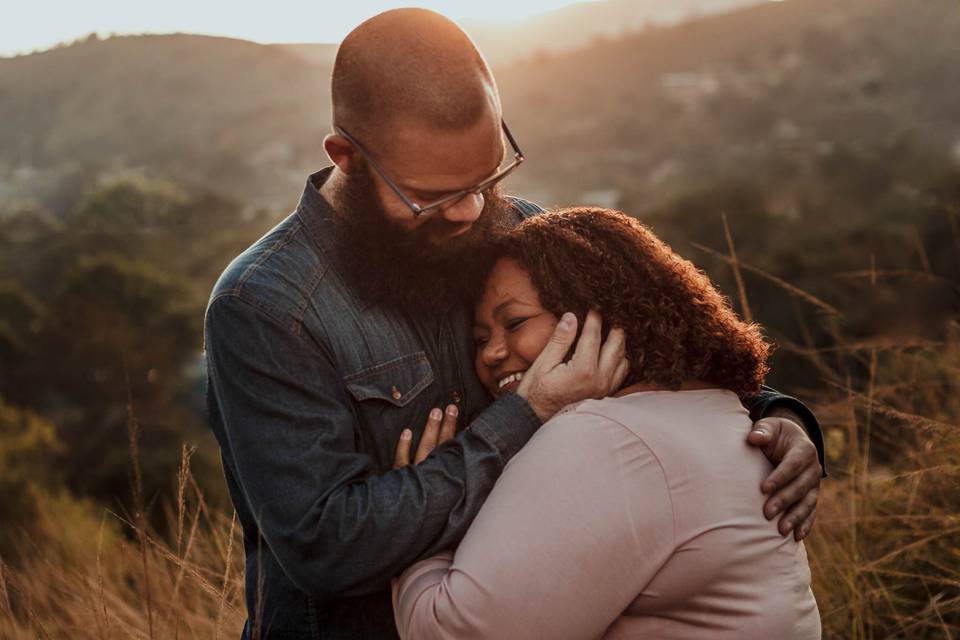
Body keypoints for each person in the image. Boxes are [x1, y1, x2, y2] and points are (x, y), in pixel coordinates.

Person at [203, 8, 825, 639]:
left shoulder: (516, 229)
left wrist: (777, 418)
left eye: (489, 176)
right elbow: (326, 547)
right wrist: (524, 417)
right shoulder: (266, 307)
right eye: (436, 196)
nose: (471, 212)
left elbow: (651, 354)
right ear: (347, 157)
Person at [392, 208, 822, 639]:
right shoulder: (710, 409)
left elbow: (456, 633)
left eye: (516, 322)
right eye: (480, 339)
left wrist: (425, 519)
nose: (490, 354)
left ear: (600, 312)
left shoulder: (605, 437)